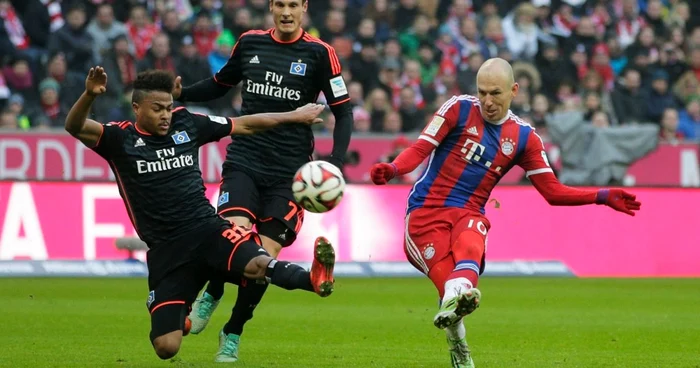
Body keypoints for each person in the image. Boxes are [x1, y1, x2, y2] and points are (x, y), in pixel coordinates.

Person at [369, 58, 642, 368]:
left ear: (514, 90)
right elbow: (420, 148)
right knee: (449, 297)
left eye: (495, 93)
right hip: (424, 216)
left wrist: (603, 195)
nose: (487, 101)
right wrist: (393, 168)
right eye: (482, 92)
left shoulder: (525, 138)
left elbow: (552, 192)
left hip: (468, 212)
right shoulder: (457, 108)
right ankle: (459, 340)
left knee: (473, 233)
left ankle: (460, 294)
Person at [64, 66, 336, 361]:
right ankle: (182, 311)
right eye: (157, 109)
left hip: (209, 230)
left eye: (168, 107)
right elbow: (75, 126)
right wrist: (89, 95)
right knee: (166, 347)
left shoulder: (187, 123)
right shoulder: (120, 139)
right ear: (136, 108)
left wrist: (294, 116)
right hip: (168, 252)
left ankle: (313, 279)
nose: (166, 114)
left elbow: (244, 125)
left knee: (260, 263)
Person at [171, 0, 354, 361]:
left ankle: (234, 330)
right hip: (246, 160)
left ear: (303, 7)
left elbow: (343, 111)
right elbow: (221, 83)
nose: (286, 12)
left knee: (263, 260)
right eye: (279, 4)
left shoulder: (320, 54)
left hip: (290, 174)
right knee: (234, 237)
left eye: (293, 5)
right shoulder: (250, 42)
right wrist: (183, 94)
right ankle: (213, 291)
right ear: (272, 7)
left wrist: (335, 163)